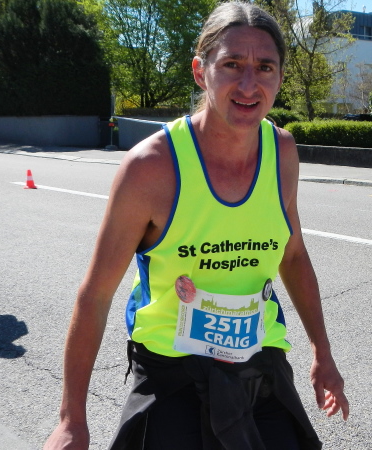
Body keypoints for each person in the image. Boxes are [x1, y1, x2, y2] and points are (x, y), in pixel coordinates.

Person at [44, 3, 349, 449]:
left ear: (281, 77)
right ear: (200, 71)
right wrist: (72, 419)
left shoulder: (282, 152)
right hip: (173, 374)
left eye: (265, 67)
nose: (249, 84)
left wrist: (322, 352)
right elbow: (96, 295)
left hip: (260, 365)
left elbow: (294, 254)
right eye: (232, 64)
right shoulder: (151, 167)